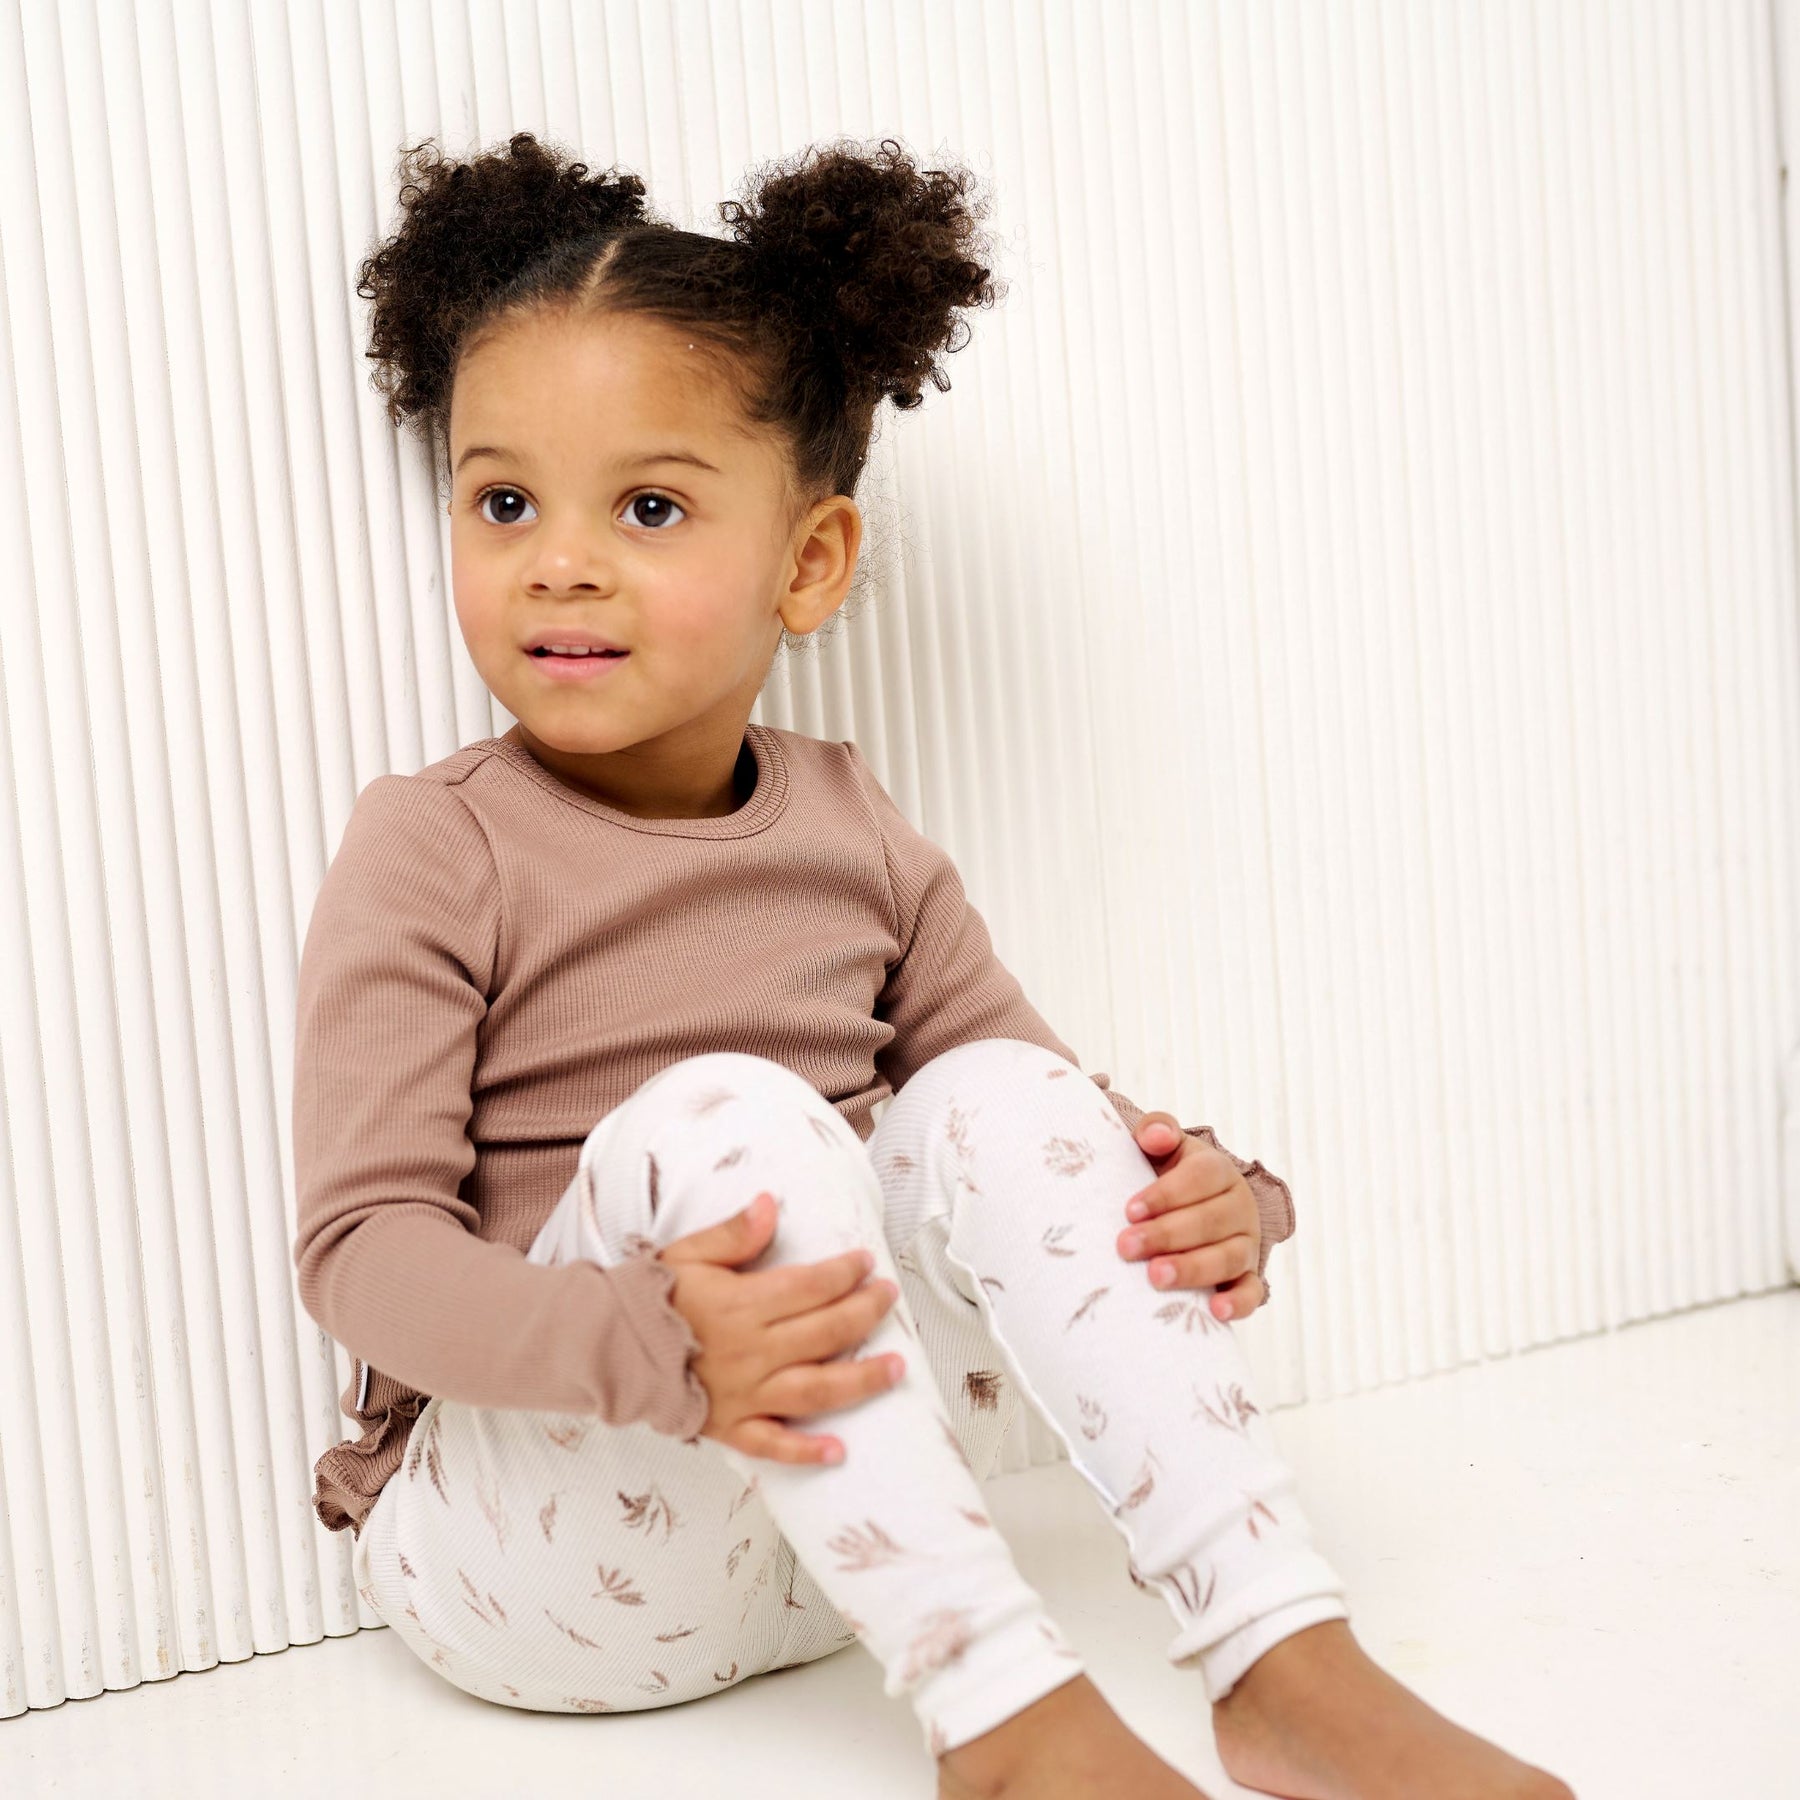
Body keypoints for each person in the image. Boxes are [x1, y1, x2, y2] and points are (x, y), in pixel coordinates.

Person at [291, 130, 1573, 1800]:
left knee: (997, 1094)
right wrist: (657, 1345)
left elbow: (1038, 1125)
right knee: (736, 1117)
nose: (559, 559)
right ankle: (1004, 1726)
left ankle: (1279, 1656)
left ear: (809, 564)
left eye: (650, 506)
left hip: (829, 1556)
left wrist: (1222, 1198)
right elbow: (362, 1254)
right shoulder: (436, 841)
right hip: (532, 1556)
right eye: (503, 500)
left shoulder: (851, 822)